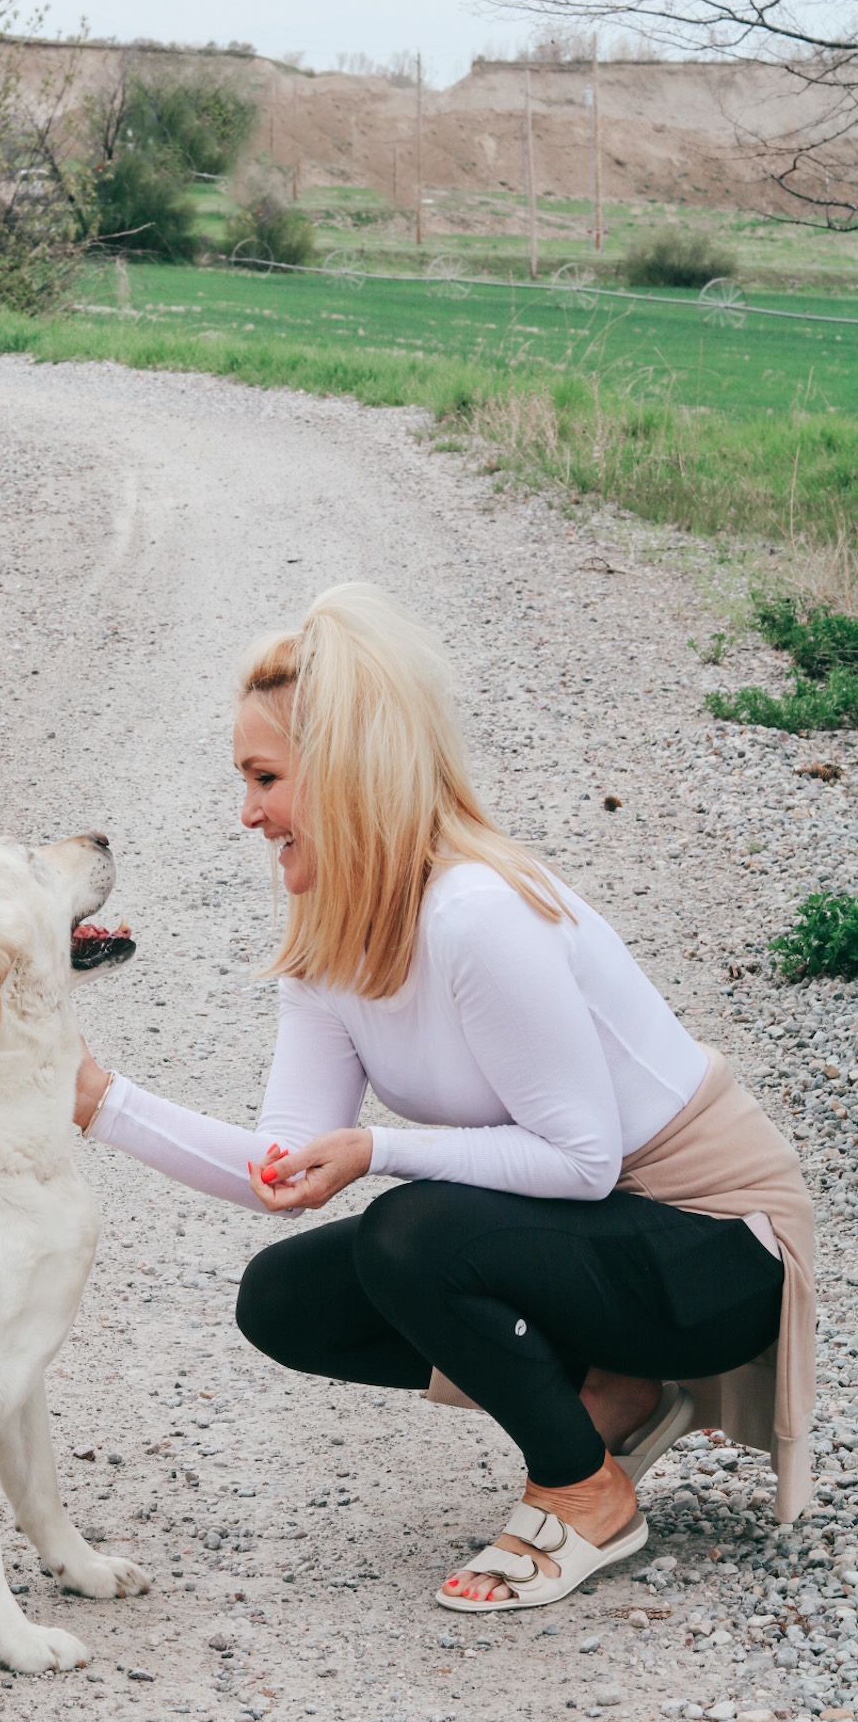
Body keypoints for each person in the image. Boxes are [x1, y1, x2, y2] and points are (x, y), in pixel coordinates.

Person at [73, 583, 814, 1610]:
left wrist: (380, 1148)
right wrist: (98, 1099)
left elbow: (584, 1158)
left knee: (411, 1232)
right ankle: (613, 1395)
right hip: (601, 1235)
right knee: (285, 1298)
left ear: (343, 774)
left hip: (717, 1244)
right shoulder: (330, 940)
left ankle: (586, 1494)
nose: (247, 812)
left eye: (265, 777)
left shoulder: (474, 912)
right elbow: (281, 1167)